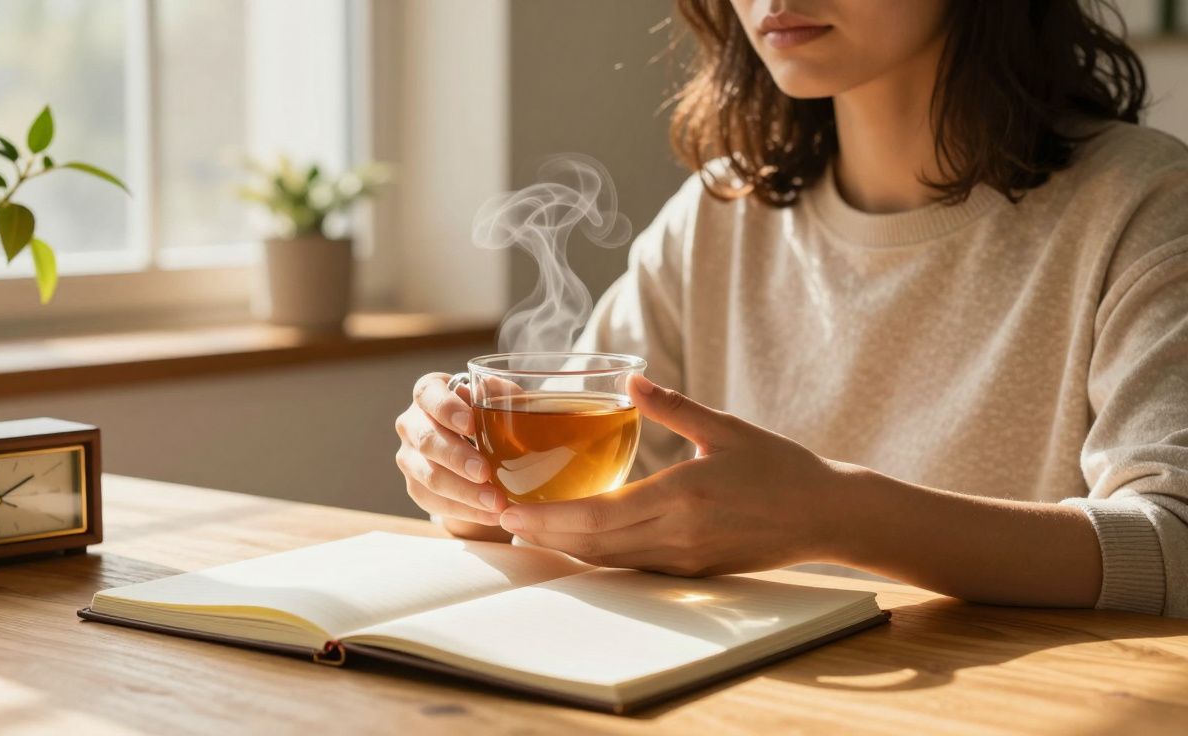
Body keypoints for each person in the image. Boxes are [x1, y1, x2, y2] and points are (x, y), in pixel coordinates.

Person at [394, 0, 1188, 617]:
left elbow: (1173, 544)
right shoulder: (718, 215)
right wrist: (470, 483)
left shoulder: (1143, 204)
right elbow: (575, 485)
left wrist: (841, 517)